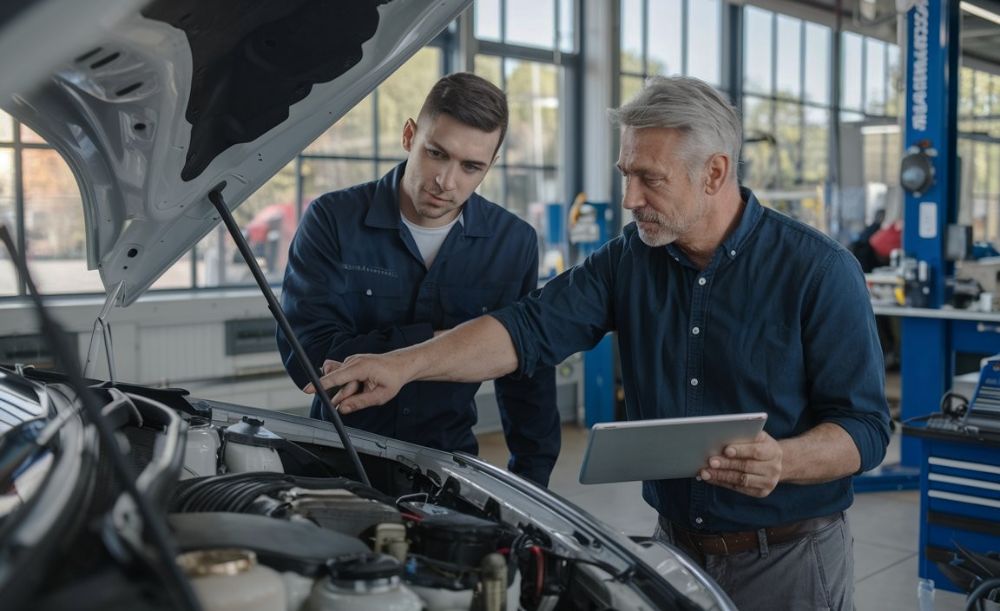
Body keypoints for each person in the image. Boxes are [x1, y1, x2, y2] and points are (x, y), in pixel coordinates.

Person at [308, 75, 890, 610]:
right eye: (625, 174)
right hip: (673, 549)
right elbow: (524, 330)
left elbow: (864, 429)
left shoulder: (819, 271)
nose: (631, 198)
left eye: (650, 179)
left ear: (714, 173)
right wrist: (403, 366)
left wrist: (783, 460)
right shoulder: (628, 261)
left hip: (788, 559)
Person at [277, 72, 560, 487]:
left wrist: (531, 484)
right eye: (436, 153)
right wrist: (456, 343)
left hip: (447, 467)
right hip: (336, 459)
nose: (447, 182)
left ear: (491, 165)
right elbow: (311, 359)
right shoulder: (332, 220)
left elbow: (526, 376)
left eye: (471, 167)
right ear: (410, 135)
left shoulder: (513, 242)